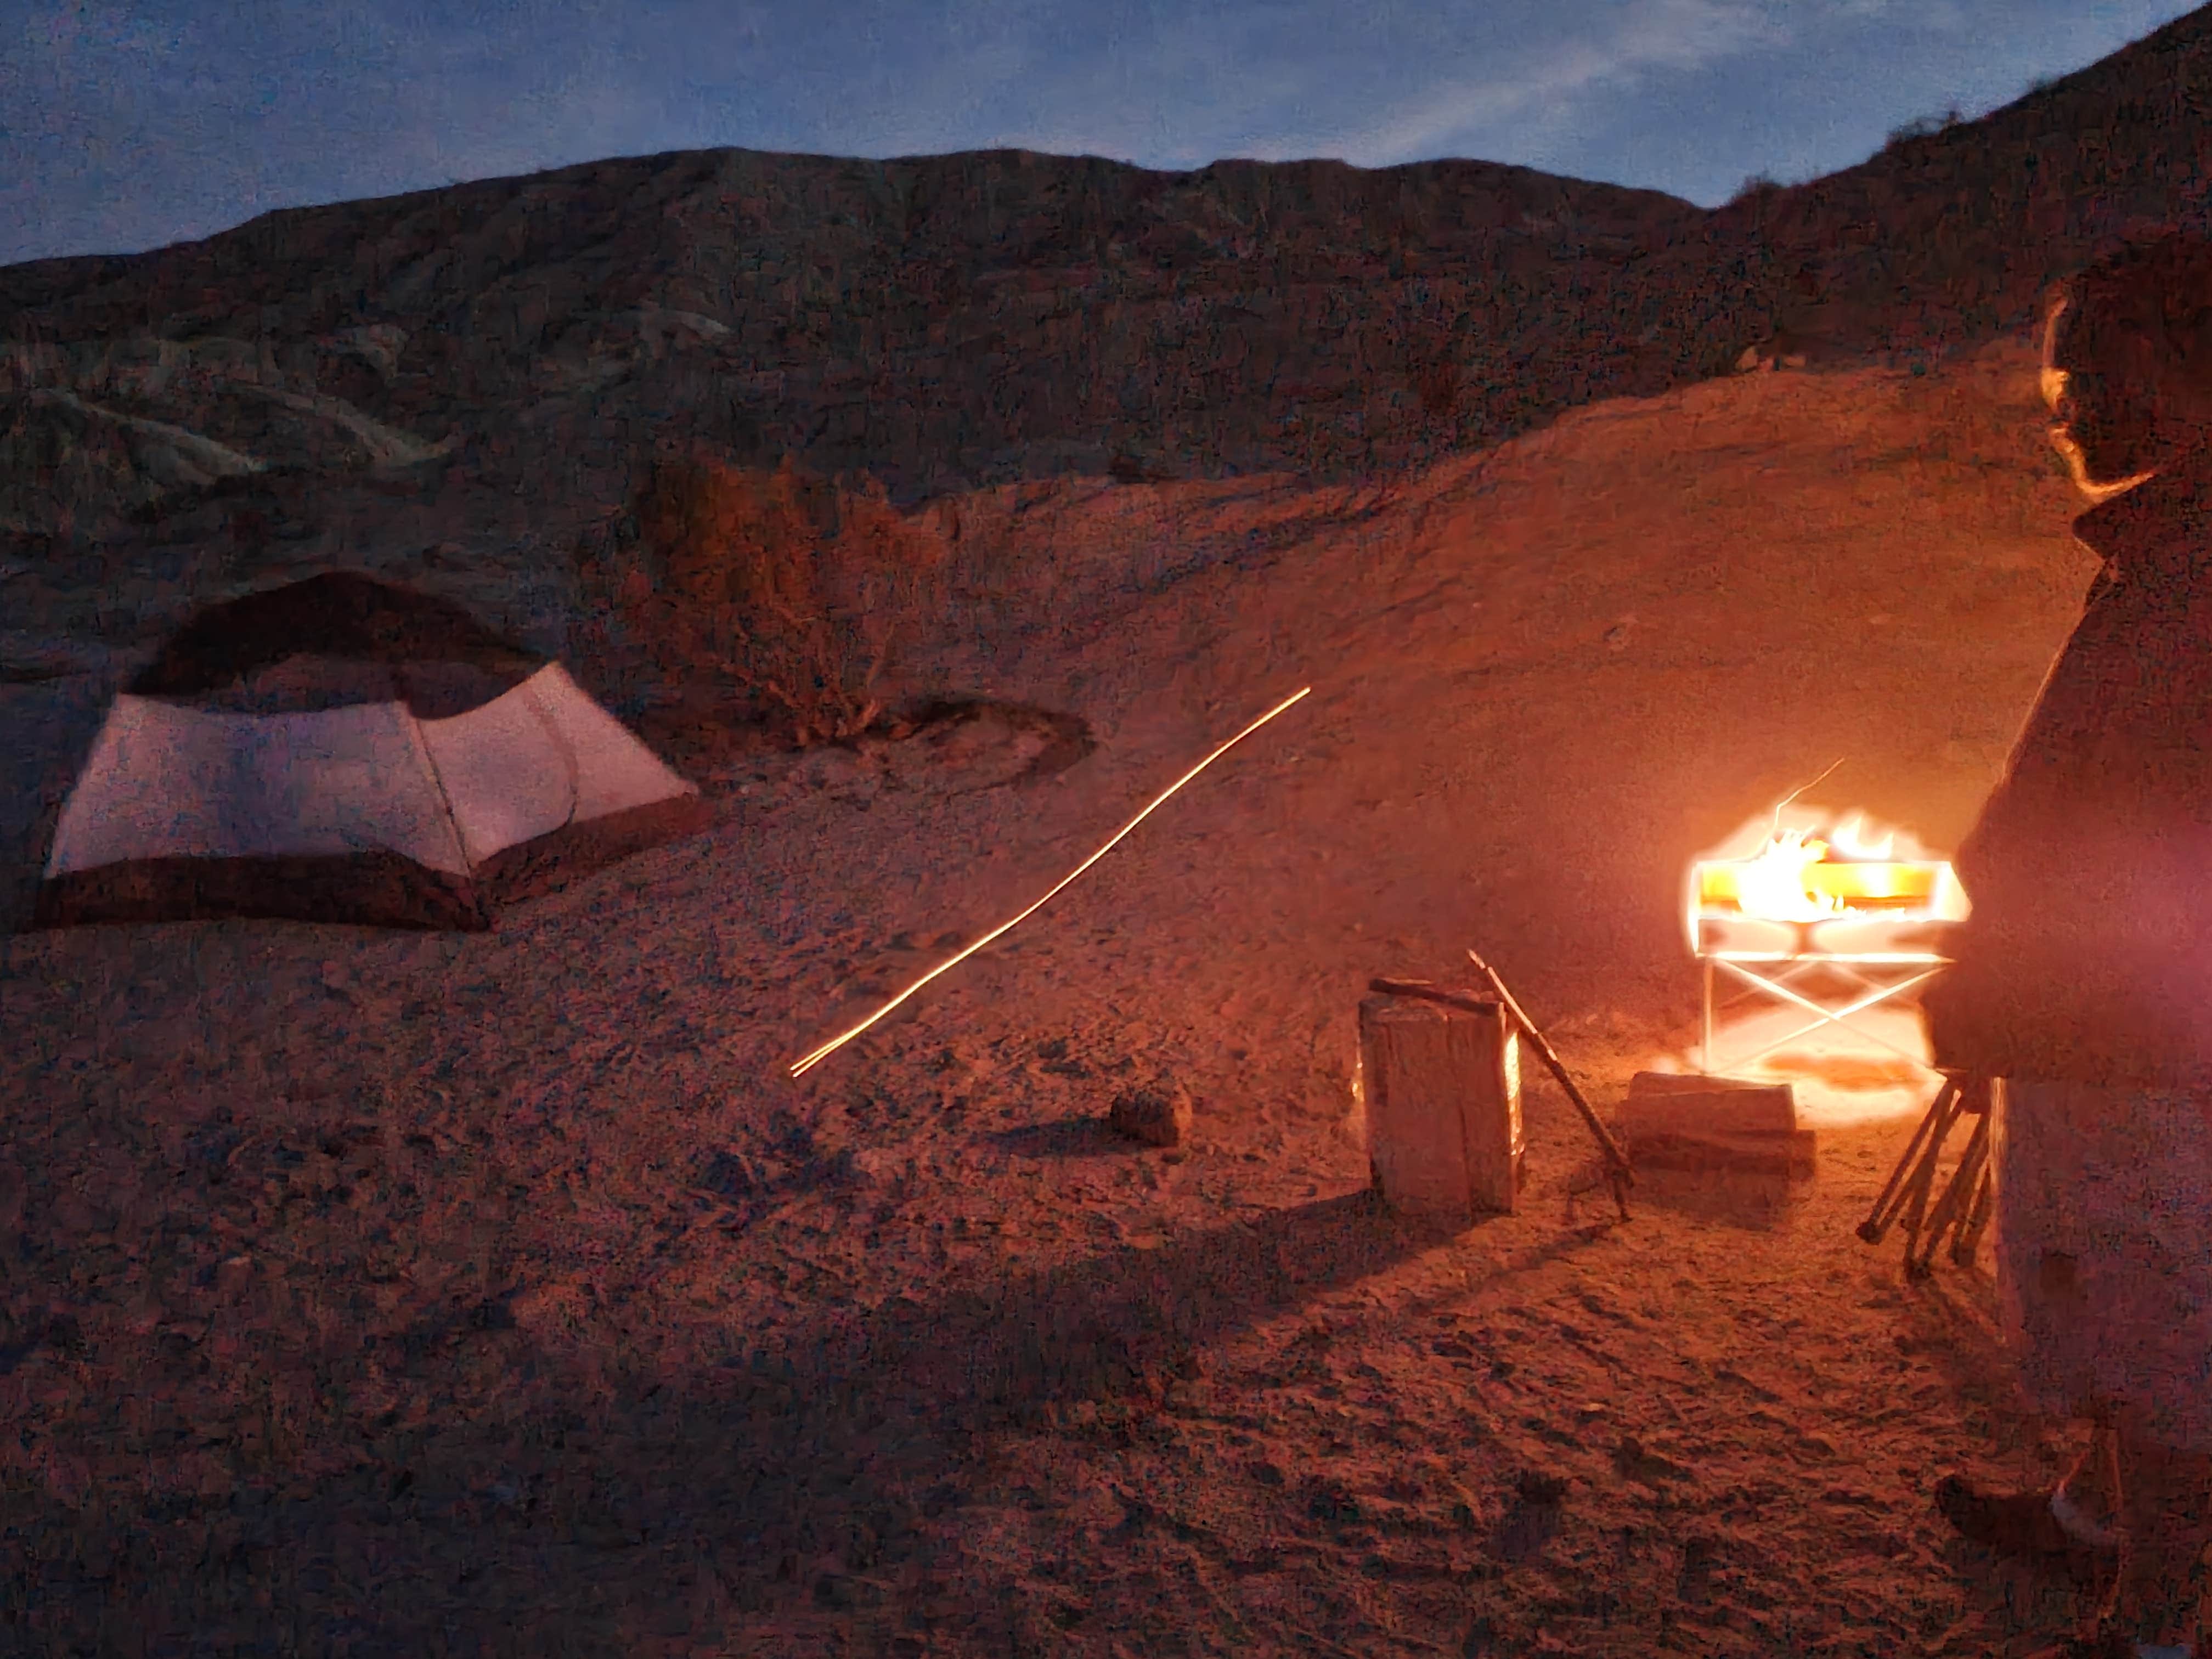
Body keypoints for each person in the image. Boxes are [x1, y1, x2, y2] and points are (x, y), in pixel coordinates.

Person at [1924, 230, 2212, 1659]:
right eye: (2068, 376)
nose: (2077, 406)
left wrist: (2041, 963)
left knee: (2158, 1335)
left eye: (2106, 368)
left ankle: (2152, 1624)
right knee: (2098, 1298)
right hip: (2087, 1019)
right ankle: (2095, 1522)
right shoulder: (2157, 556)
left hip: (2148, 1034)